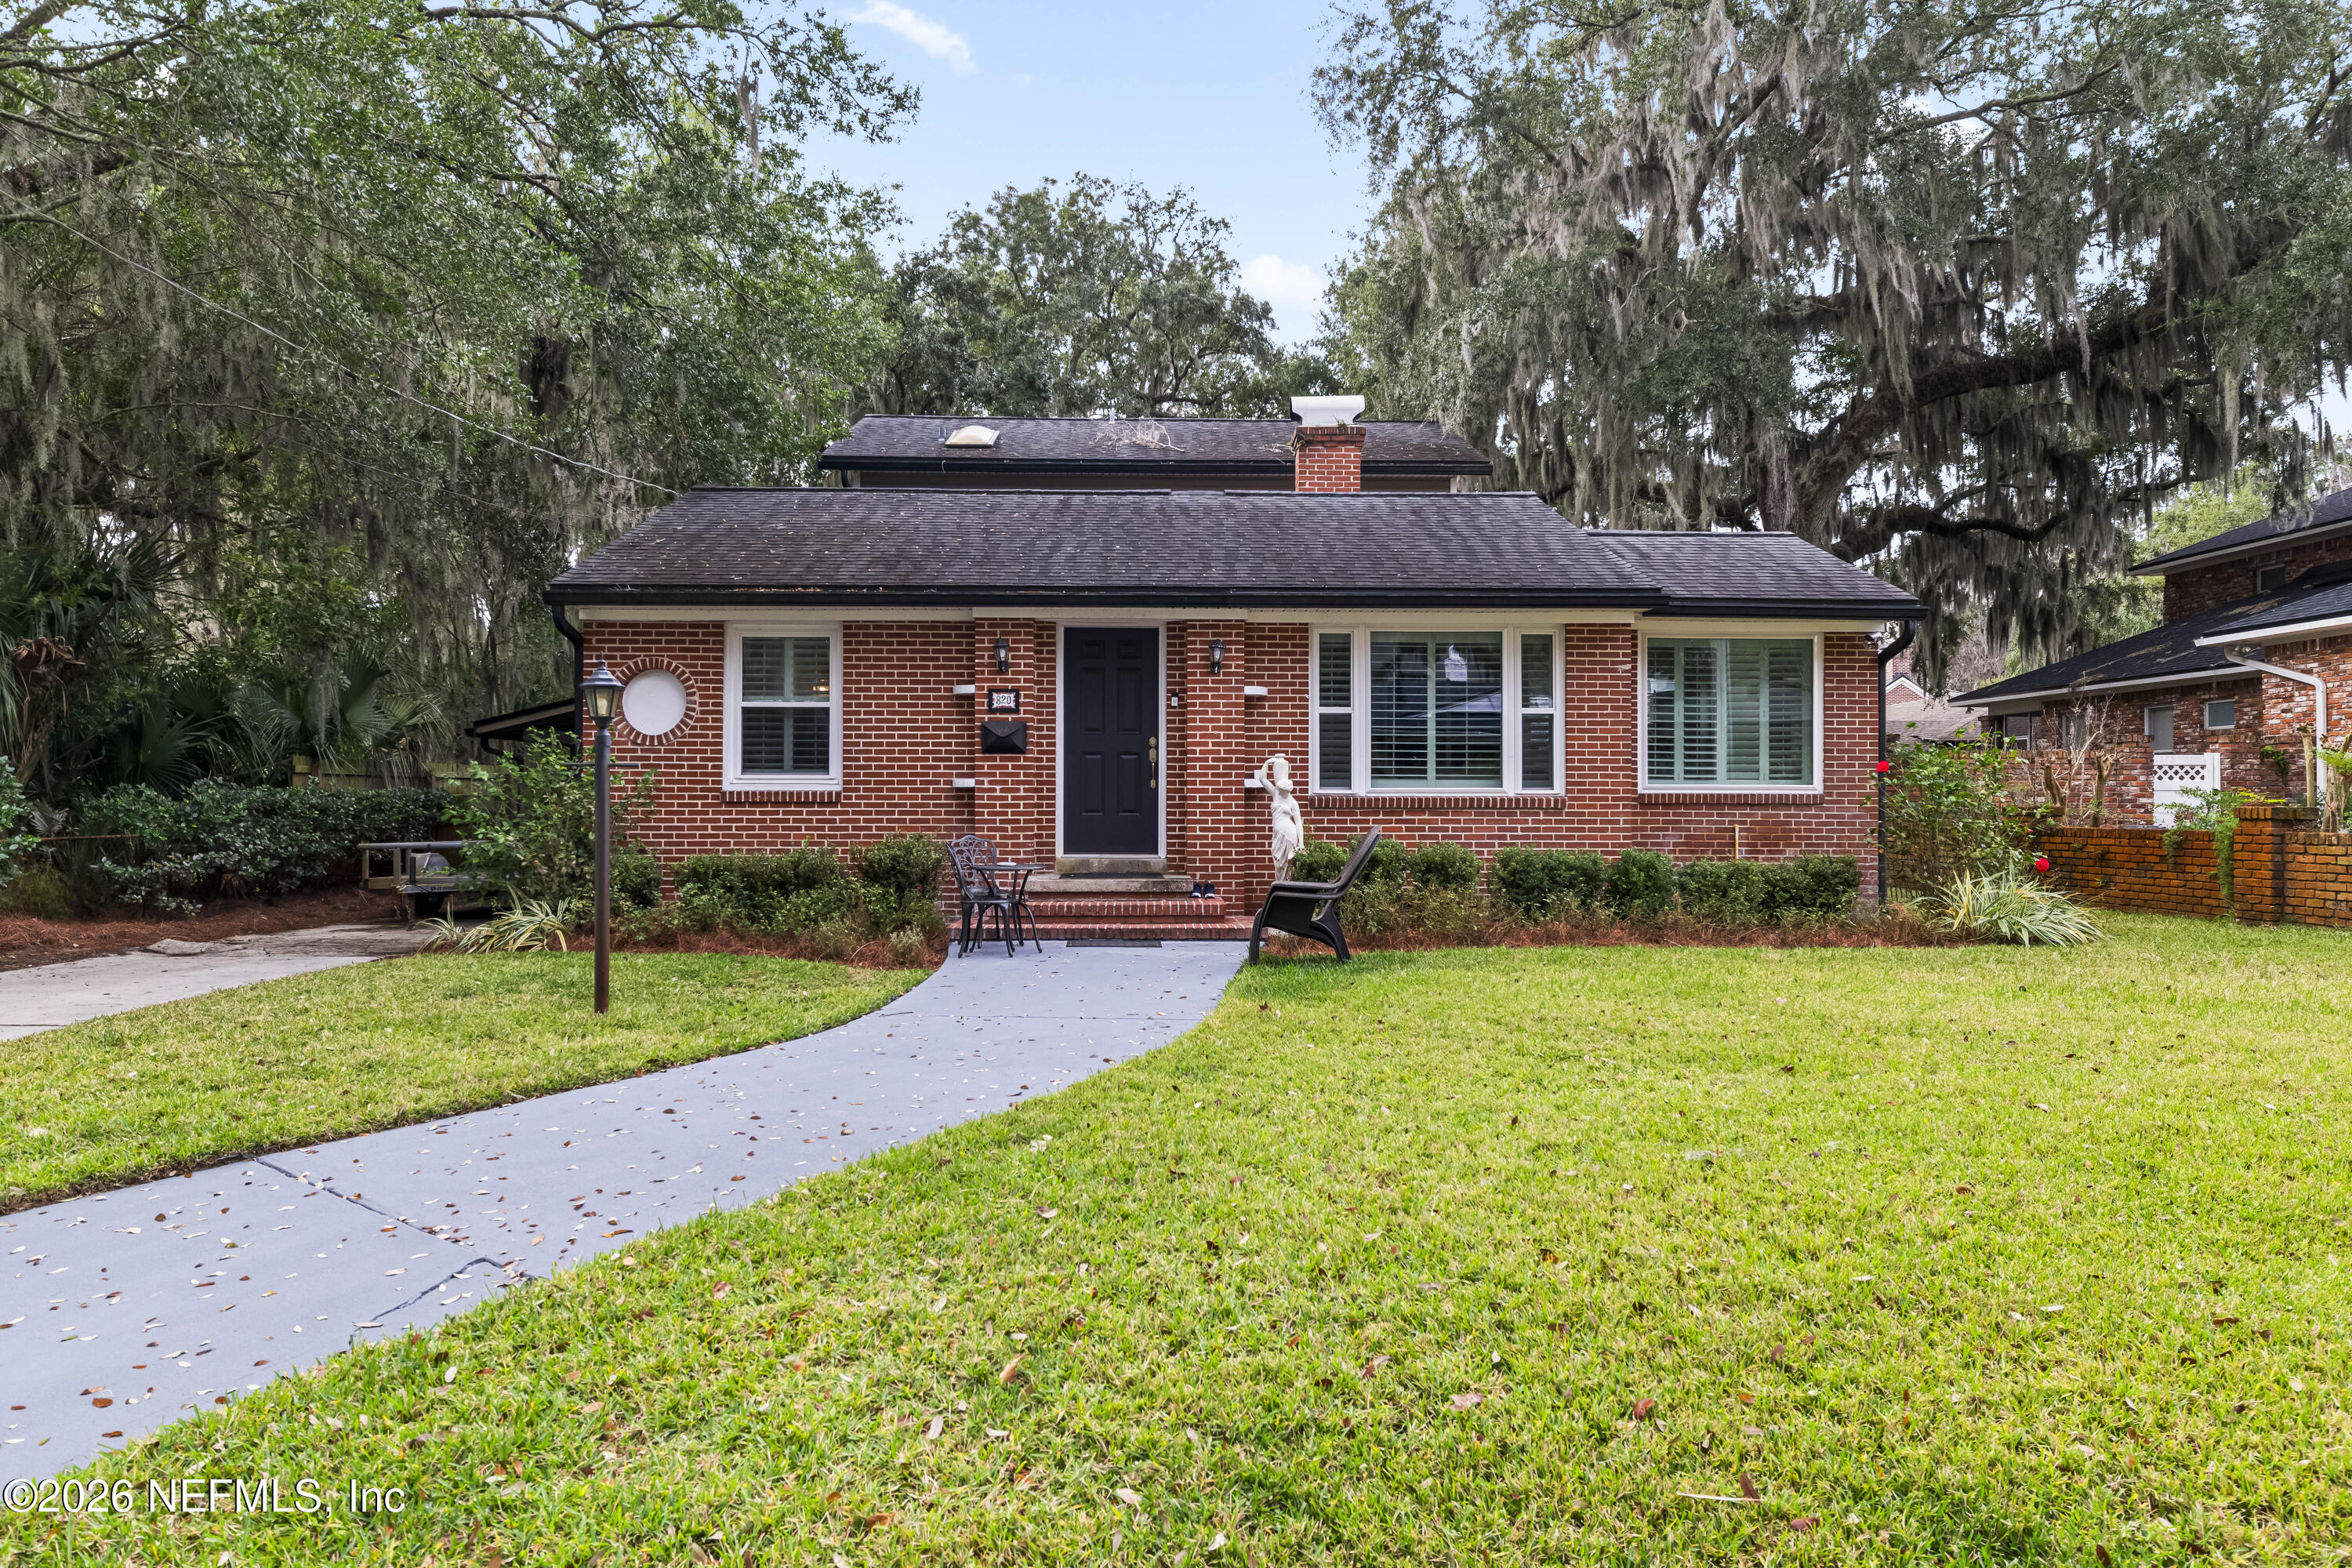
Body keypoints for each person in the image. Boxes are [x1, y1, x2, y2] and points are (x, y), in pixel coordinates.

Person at [1264, 753, 1304, 883]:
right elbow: (1263, 779)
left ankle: (1287, 885)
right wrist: (1268, 763)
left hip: (1289, 834)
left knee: (1288, 864)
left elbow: (1298, 823)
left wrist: (1301, 842)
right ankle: (1280, 884)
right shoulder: (1276, 794)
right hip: (1278, 834)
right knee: (1278, 863)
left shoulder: (1293, 803)